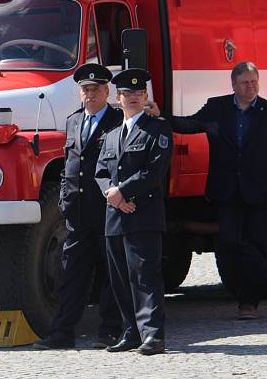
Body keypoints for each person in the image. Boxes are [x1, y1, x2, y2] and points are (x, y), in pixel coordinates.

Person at [165, 61, 267, 320]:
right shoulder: (217, 107)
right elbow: (188, 125)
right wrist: (158, 117)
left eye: (254, 82)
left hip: (259, 191)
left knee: (258, 242)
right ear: (233, 84)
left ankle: (249, 303)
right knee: (232, 242)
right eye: (245, 82)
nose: (250, 87)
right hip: (226, 191)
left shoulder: (266, 110)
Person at [34, 63, 123, 350]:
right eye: (85, 89)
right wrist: (63, 198)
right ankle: (62, 332)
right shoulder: (73, 121)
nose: (90, 94)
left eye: (96, 89)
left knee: (111, 272)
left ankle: (109, 330)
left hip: (107, 210)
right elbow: (69, 166)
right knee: (72, 274)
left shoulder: (119, 121)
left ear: (107, 91)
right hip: (77, 213)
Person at [95, 68, 173, 356]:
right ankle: (131, 332)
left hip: (144, 214)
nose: (132, 98)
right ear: (118, 98)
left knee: (145, 275)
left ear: (145, 96)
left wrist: (123, 193)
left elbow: (154, 171)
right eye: (127, 94)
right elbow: (101, 171)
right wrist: (112, 196)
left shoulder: (157, 129)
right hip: (115, 216)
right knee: (119, 278)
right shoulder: (113, 135)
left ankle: (153, 335)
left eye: (138, 93)